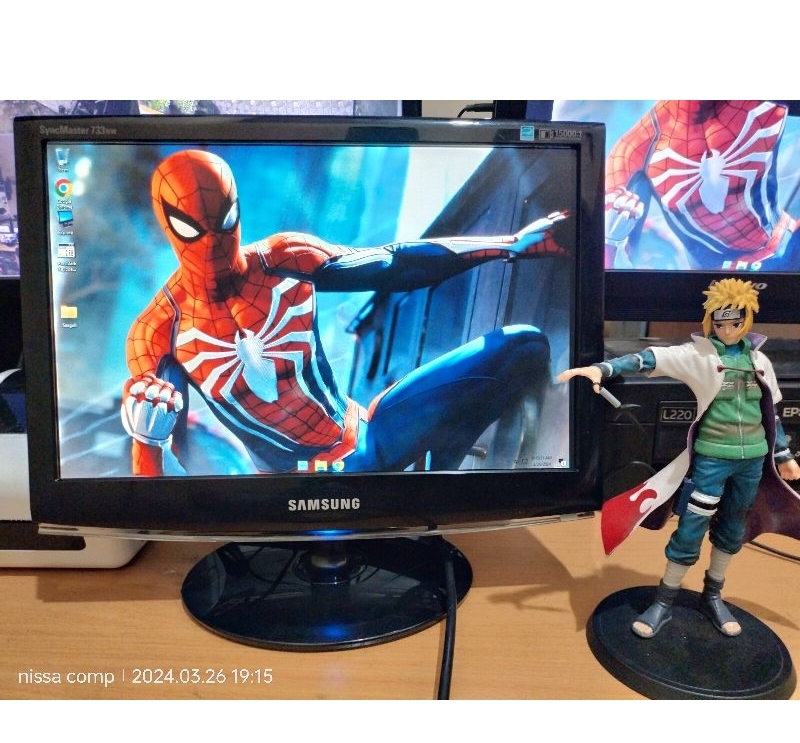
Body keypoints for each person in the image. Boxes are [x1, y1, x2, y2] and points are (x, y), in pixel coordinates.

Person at [122, 149, 569, 477]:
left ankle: (455, 480)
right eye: (192, 229)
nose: (213, 245)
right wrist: (147, 438)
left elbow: (395, 263)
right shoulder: (159, 331)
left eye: (224, 221)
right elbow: (172, 458)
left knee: (523, 346)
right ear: (169, 224)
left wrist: (510, 245)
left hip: (364, 438)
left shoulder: (284, 259)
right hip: (291, 489)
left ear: (236, 210)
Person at [558, 278, 800, 638]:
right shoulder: (699, 356)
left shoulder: (760, 360)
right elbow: (649, 358)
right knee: (691, 527)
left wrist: (783, 454)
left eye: (736, 323)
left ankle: (713, 596)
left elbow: (771, 413)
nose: (728, 330)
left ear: (747, 320)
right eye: (720, 323)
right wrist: (603, 369)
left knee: (733, 528)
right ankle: (664, 600)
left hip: (752, 462)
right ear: (710, 321)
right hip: (712, 461)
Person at [604, 100, 799, 272]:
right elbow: (610, 268)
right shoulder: (633, 150)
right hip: (713, 284)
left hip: (787, 244)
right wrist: (611, 241)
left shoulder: (766, 104)